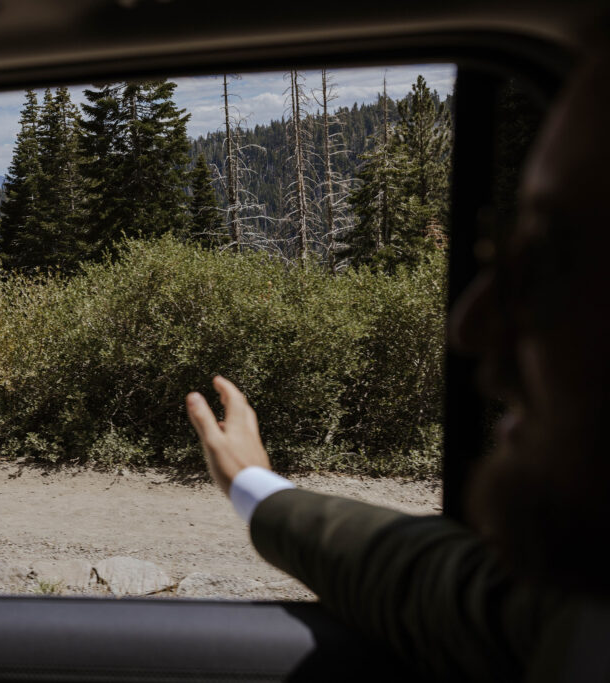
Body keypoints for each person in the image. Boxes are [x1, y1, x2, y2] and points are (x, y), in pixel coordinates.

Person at [187, 51, 610, 682]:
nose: (467, 328)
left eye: (546, 263)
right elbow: (431, 581)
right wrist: (254, 485)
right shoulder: (575, 611)